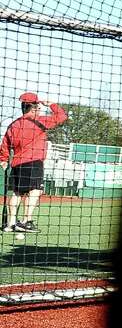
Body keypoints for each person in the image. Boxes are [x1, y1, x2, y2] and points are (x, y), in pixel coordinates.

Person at [1, 93, 68, 233]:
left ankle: (11, 223)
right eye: (38, 106)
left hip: (16, 164)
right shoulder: (39, 122)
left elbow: (5, 145)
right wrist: (51, 104)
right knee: (35, 190)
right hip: (33, 162)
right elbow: (62, 116)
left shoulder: (13, 125)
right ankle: (26, 221)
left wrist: (3, 159)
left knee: (16, 192)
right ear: (35, 107)